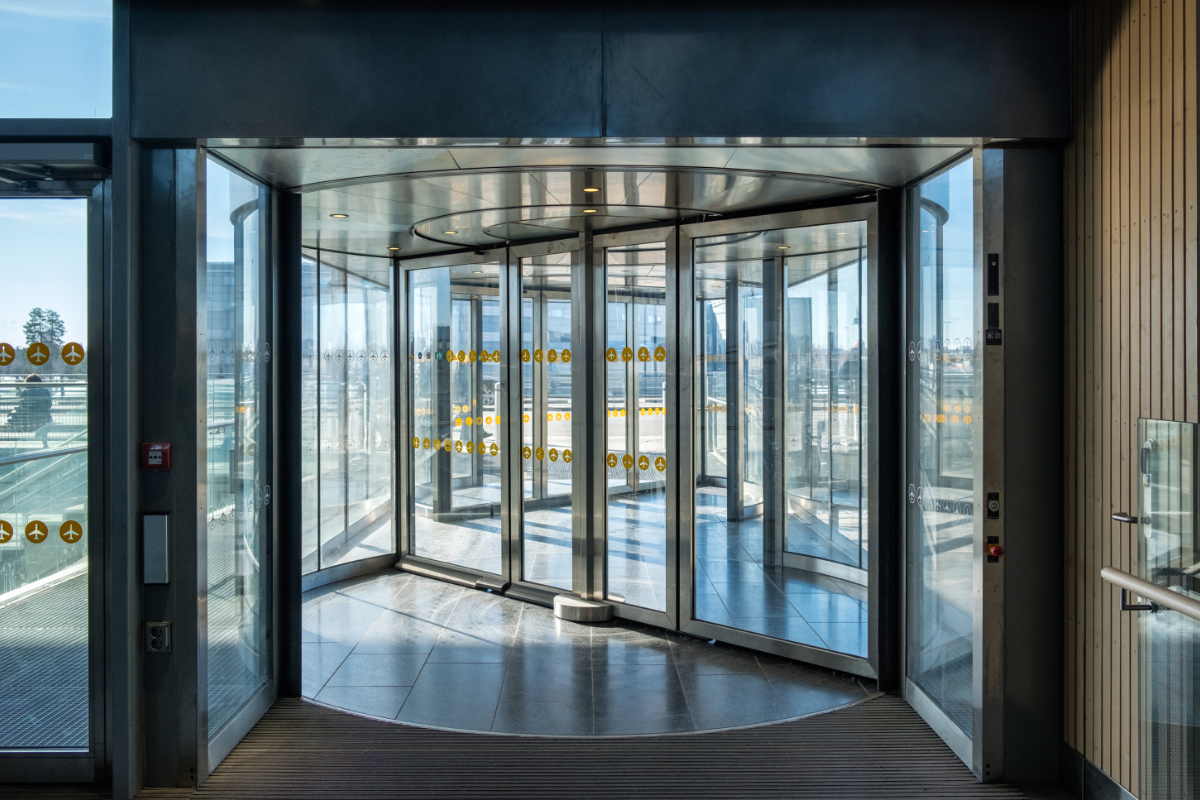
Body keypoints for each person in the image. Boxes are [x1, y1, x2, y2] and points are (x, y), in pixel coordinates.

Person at [3, 374, 53, 447]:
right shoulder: (46, 391)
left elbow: (23, 404)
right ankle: (44, 443)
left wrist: (18, 389)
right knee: (44, 422)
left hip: (30, 417)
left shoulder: (26, 391)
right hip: (45, 416)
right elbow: (49, 404)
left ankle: (28, 437)